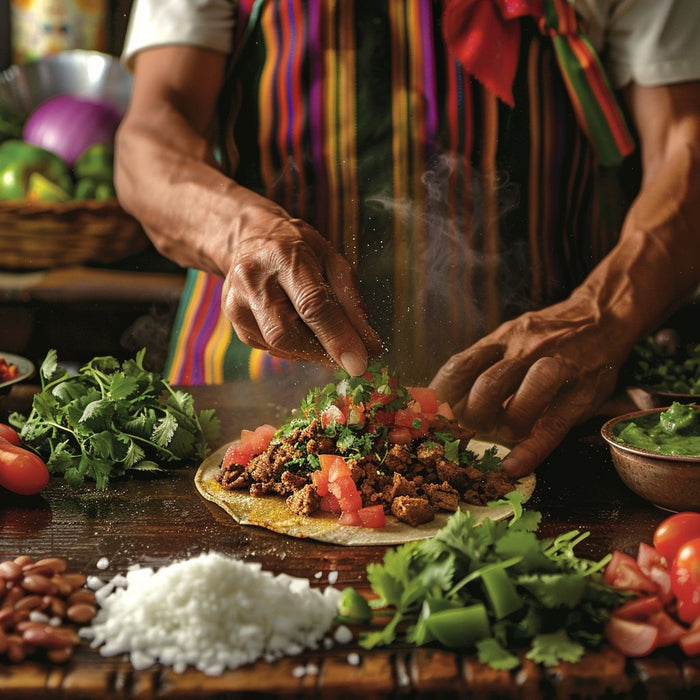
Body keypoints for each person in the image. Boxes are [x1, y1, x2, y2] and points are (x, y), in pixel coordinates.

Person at [116, 0, 700, 478]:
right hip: (242, 402)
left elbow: (685, 147)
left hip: (534, 409)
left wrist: (604, 312)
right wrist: (242, 230)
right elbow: (148, 140)